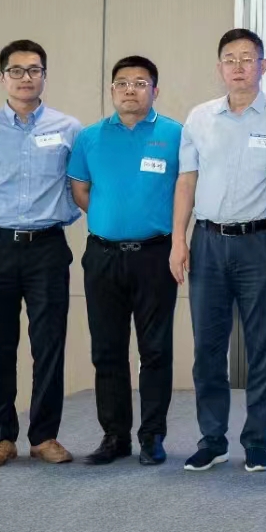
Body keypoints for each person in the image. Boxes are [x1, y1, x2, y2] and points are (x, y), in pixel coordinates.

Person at [170, 29, 266, 473]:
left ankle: (257, 441)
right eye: (230, 59)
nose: (239, 66)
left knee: (264, 345)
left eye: (248, 58)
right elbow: (186, 181)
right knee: (208, 347)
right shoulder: (199, 117)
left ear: (263, 66)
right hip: (207, 243)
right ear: (220, 67)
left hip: (261, 243)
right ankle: (212, 439)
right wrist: (178, 239)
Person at [0, 39, 83, 468]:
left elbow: (78, 186)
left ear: (45, 76)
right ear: (2, 77)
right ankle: (2, 436)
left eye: (34, 70)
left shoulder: (69, 129)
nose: (25, 78)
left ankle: (44, 436)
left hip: (47, 247)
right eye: (16, 70)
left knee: (49, 344)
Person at [67, 55, 183, 467]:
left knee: (155, 351)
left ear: (155, 90)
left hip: (155, 255)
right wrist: (111, 220)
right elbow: (81, 192)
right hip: (103, 257)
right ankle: (115, 436)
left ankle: (152, 436)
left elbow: (186, 191)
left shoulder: (175, 134)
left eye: (139, 82)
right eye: (122, 83)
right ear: (112, 90)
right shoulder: (90, 137)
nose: (130, 89)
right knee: (107, 350)